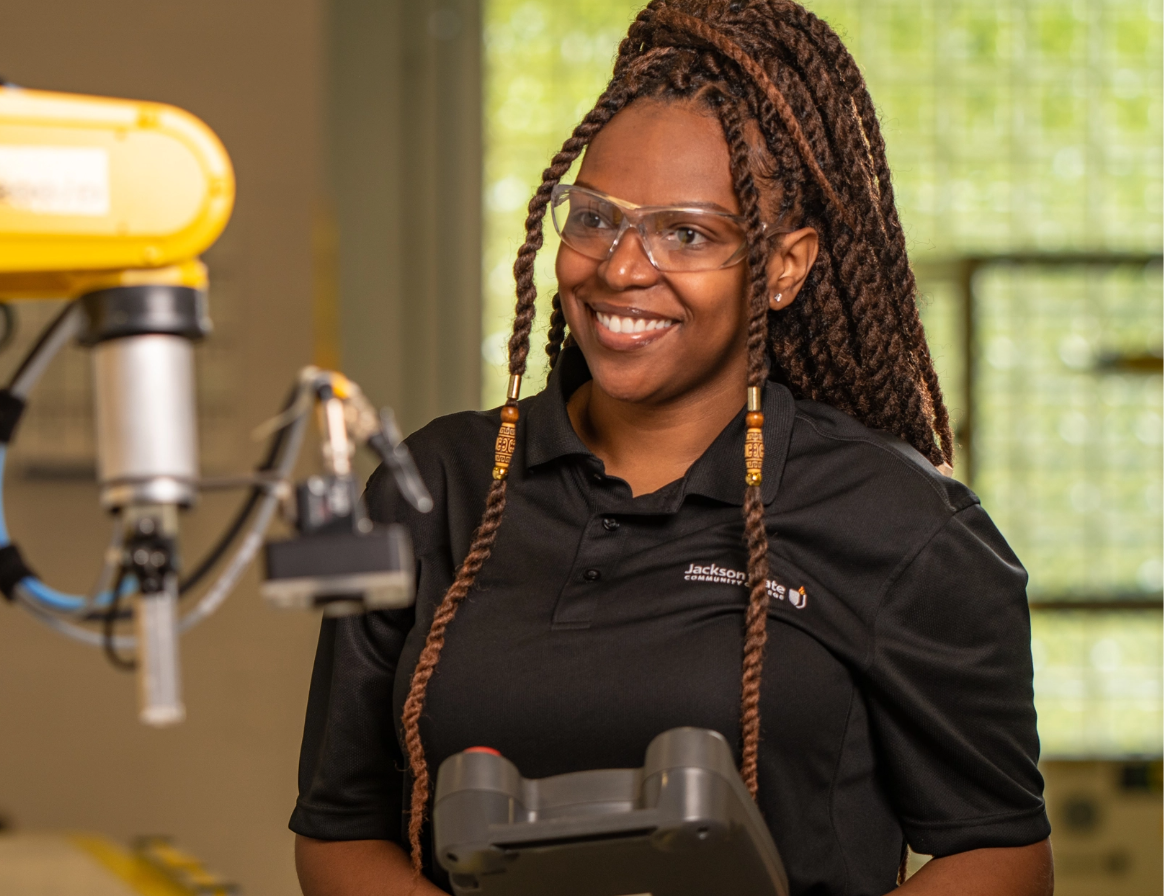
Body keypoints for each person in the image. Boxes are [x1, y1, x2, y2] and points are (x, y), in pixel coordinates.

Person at [291, 2, 1054, 894]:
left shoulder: (903, 525)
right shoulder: (436, 488)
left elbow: (1000, 855)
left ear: (784, 265)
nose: (619, 267)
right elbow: (339, 829)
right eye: (594, 219)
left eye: (685, 233)